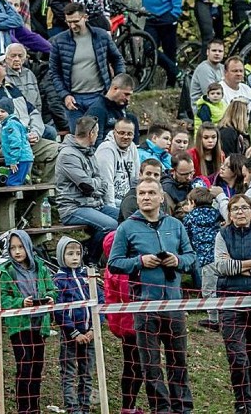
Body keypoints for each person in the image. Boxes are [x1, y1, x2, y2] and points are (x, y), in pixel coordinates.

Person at [108, 177, 196, 413]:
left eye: (150, 193)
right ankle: (161, 409)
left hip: (174, 304)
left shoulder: (176, 225)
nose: (146, 197)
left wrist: (176, 260)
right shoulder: (126, 227)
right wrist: (139, 261)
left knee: (179, 360)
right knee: (151, 364)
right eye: (141, 194)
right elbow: (114, 263)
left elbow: (191, 257)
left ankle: (182, 408)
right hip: (144, 306)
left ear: (160, 197)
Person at [214, 194, 251, 414]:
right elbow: (221, 267)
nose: (239, 212)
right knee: (238, 357)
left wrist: (237, 267)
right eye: (235, 209)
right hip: (230, 302)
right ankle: (242, 404)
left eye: (244, 208)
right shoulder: (222, 235)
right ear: (229, 214)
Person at [0, 229, 56, 414]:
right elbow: (2, 299)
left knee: (37, 369)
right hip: (20, 326)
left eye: (20, 247)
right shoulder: (6, 272)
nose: (17, 251)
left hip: (39, 325)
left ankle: (34, 408)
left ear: (28, 247)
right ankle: (24, 409)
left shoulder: (40, 268)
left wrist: (50, 298)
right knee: (25, 367)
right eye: (13, 248)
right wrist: (21, 302)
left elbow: (51, 289)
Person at [0, 54, 59, 181]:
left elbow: (33, 112)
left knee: (58, 150)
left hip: (26, 139)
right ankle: (28, 193)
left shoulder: (11, 88)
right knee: (23, 154)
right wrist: (24, 136)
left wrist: (35, 132)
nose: (4, 65)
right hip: (4, 144)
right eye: (0, 65)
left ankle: (43, 192)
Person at [49, 2, 125, 132]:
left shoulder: (101, 36)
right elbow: (54, 72)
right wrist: (64, 95)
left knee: (100, 136)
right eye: (69, 22)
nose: (72, 25)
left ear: (85, 17)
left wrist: (117, 86)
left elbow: (117, 59)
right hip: (74, 100)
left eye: (76, 21)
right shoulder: (58, 41)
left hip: (99, 95)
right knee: (80, 139)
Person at [55, 116, 119, 264]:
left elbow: (99, 182)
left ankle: (110, 257)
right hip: (73, 207)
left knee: (125, 218)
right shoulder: (67, 155)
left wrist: (95, 185)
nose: (97, 136)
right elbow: (87, 186)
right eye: (96, 133)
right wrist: (96, 184)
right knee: (110, 225)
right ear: (91, 133)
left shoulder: (88, 151)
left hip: (94, 204)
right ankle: (90, 259)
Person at [53, 236, 98, 414]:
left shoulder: (88, 277)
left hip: (90, 333)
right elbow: (59, 310)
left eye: (78, 253)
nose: (75, 257)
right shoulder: (59, 280)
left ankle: (85, 405)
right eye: (70, 253)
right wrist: (73, 332)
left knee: (87, 372)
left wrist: (94, 328)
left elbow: (99, 300)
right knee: (69, 372)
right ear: (60, 255)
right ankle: (72, 407)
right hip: (70, 336)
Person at [102, 231, 144, 413]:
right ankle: (128, 406)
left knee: (137, 365)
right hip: (131, 324)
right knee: (135, 366)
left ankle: (130, 406)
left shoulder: (117, 266)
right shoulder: (119, 268)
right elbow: (116, 297)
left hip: (133, 322)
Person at [183, 187, 224, 330]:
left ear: (192, 202)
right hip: (221, 257)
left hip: (205, 259)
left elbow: (186, 237)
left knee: (208, 290)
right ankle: (225, 316)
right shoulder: (216, 214)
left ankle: (214, 320)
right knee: (221, 289)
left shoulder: (189, 217)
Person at [95, 117, 139, 210]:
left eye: (129, 134)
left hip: (126, 201)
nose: (126, 137)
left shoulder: (133, 147)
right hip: (108, 203)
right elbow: (106, 183)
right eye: (122, 133)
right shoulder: (106, 149)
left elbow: (136, 178)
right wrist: (112, 208)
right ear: (114, 132)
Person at [86, 73, 139, 148]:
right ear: (115, 89)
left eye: (130, 95)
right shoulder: (97, 110)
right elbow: (95, 143)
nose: (128, 99)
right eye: (126, 94)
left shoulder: (124, 111)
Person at [0, 97, 34, 186]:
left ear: (9, 111)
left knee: (13, 183)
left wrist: (13, 160)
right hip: (20, 158)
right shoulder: (8, 124)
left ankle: (17, 199)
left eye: (3, 111)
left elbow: (16, 143)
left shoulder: (11, 124)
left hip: (20, 159)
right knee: (17, 180)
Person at [189, 38, 226, 108]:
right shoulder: (204, 69)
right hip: (204, 108)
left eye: (220, 51)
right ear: (207, 52)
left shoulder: (223, 67)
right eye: (214, 50)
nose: (217, 53)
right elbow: (211, 94)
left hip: (218, 105)